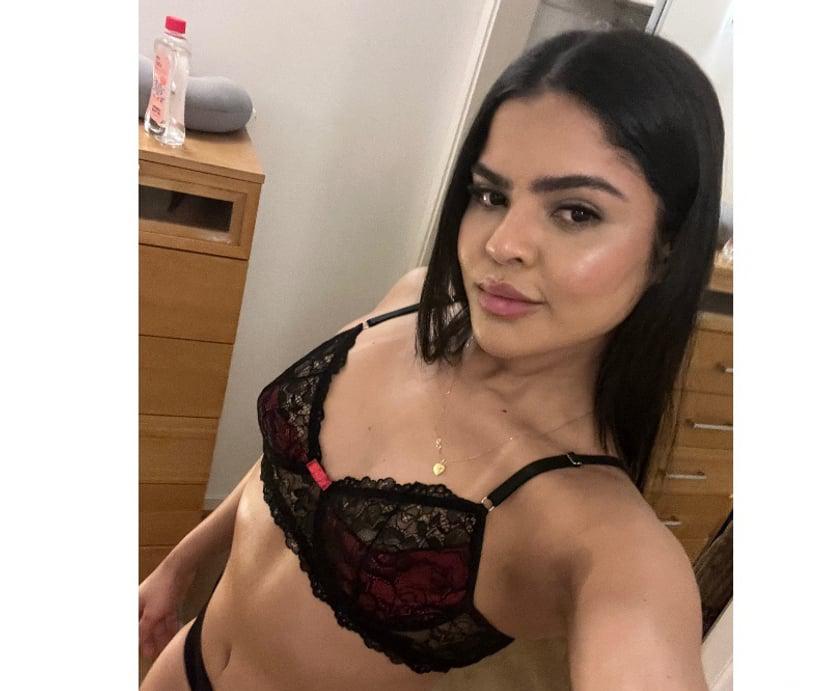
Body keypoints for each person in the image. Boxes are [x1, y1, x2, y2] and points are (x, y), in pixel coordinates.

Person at [140, 28, 724, 691]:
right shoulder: (414, 300)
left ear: (669, 249)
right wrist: (179, 567)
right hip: (183, 662)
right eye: (491, 195)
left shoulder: (599, 532)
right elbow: (294, 466)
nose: (502, 244)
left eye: (576, 212)